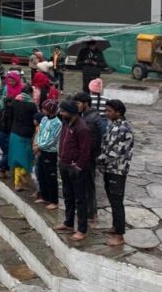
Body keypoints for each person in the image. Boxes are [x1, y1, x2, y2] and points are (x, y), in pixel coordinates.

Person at [97, 99, 134, 247]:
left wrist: (97, 160)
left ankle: (119, 235)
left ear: (118, 112)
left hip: (117, 170)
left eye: (109, 111)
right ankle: (115, 227)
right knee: (112, 200)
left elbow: (115, 152)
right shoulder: (114, 125)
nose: (106, 113)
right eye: (106, 110)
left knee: (117, 202)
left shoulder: (124, 129)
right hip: (108, 168)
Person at [54, 100, 91, 242]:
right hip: (64, 163)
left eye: (63, 111)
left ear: (71, 112)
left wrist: (78, 166)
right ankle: (68, 222)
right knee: (67, 195)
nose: (61, 114)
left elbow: (85, 150)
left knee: (80, 199)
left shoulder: (82, 128)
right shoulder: (65, 123)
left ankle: (82, 229)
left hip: (76, 168)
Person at [75, 92, 103, 223]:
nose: (77, 106)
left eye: (78, 103)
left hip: (89, 157)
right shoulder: (85, 116)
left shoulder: (91, 119)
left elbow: (91, 142)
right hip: (85, 156)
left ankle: (91, 213)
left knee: (88, 185)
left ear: (86, 104)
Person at [7, 85, 38, 192]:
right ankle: (21, 174)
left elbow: (10, 117)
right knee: (28, 157)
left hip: (14, 132)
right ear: (30, 93)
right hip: (26, 134)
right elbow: (35, 121)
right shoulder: (32, 105)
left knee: (16, 159)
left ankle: (17, 184)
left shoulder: (14, 102)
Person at [34, 100, 62, 210]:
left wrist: (40, 146)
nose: (42, 110)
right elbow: (39, 132)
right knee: (41, 174)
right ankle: (45, 196)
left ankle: (53, 200)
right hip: (40, 149)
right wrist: (36, 144)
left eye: (44, 109)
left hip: (50, 152)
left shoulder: (57, 123)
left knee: (51, 176)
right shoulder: (44, 119)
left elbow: (53, 139)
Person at [0, 96, 13, 177]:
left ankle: (3, 170)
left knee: (6, 151)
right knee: (10, 152)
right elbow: (8, 126)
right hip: (3, 133)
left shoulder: (2, 110)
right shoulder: (10, 112)